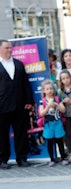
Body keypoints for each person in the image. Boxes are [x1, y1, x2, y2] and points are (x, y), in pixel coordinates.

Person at [0, 39, 34, 169]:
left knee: (21, 133)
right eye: (6, 48)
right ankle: (2, 159)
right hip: (2, 106)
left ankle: (22, 158)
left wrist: (28, 101)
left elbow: (26, 84)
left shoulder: (19, 64)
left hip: (20, 105)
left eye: (10, 48)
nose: (10, 50)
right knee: (2, 134)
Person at [38, 79, 69, 166]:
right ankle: (52, 159)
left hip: (57, 123)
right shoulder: (42, 101)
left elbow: (63, 110)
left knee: (60, 141)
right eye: (47, 89)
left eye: (51, 88)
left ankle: (63, 157)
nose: (49, 91)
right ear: (44, 90)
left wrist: (57, 105)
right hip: (48, 124)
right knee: (50, 142)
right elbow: (41, 113)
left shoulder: (57, 99)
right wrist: (47, 107)